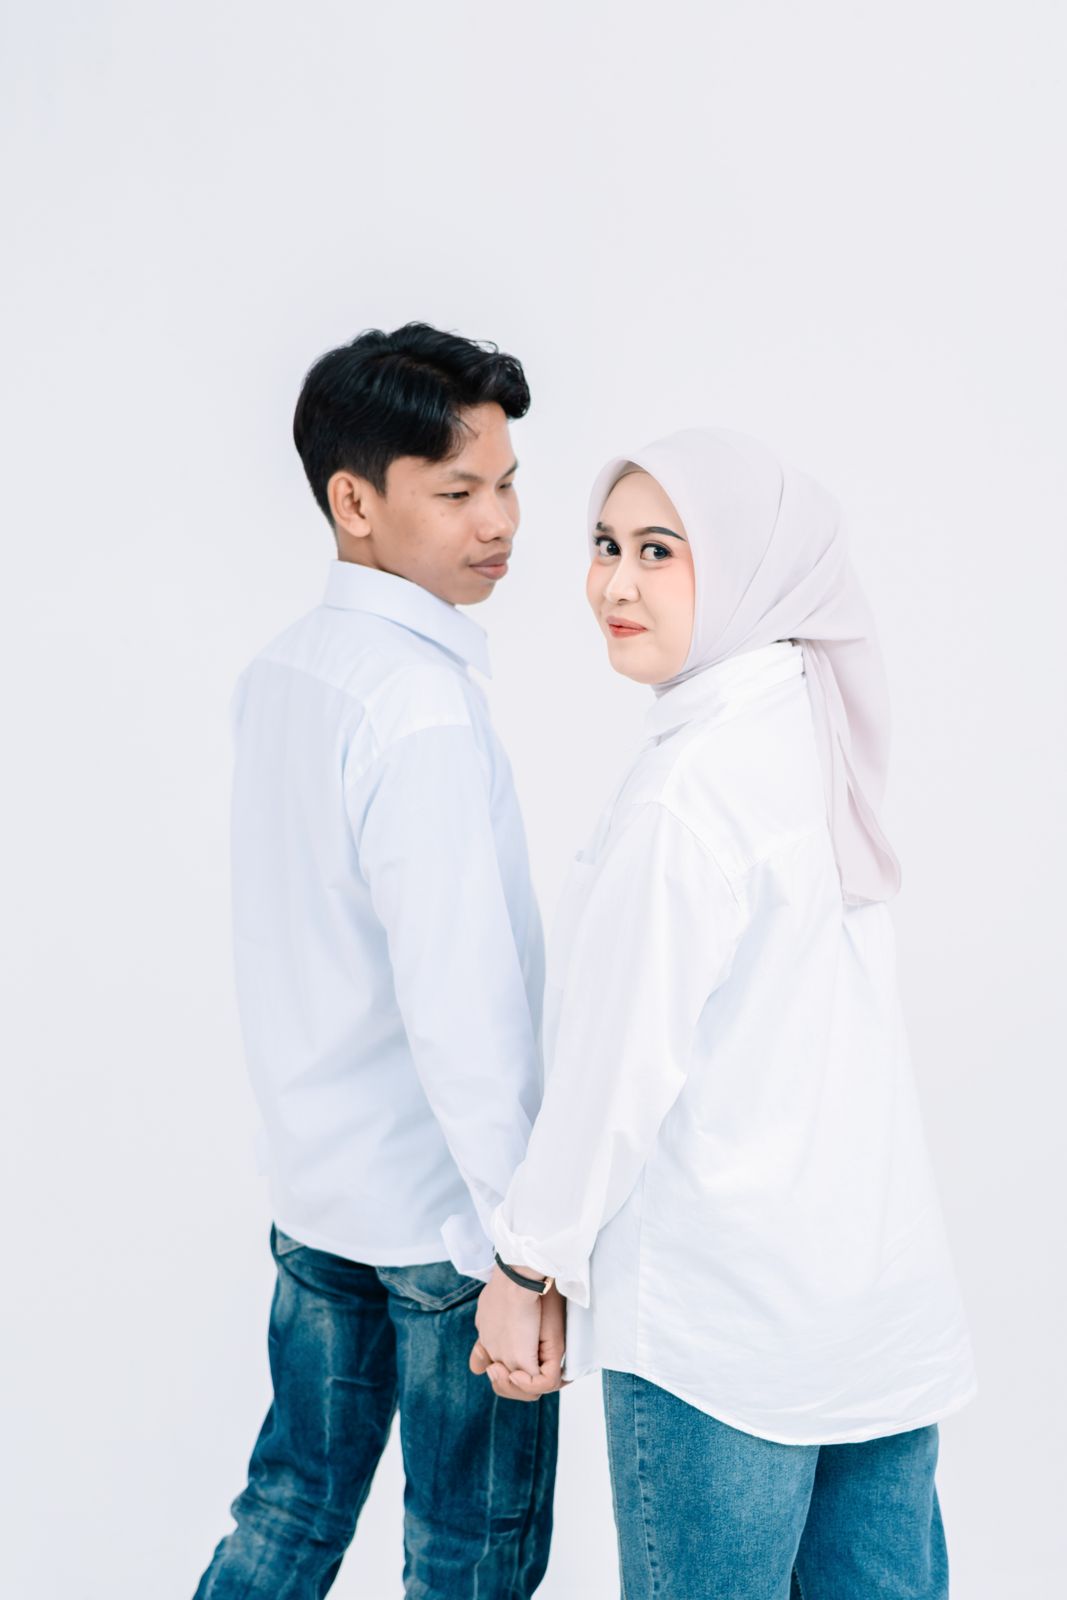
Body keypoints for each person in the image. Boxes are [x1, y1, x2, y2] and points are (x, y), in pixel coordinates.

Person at [471, 430, 976, 1599]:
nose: (613, 584)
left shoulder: (687, 794)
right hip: (872, 1309)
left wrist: (526, 1263)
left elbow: (614, 1071)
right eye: (604, 545)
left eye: (659, 549)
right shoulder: (811, 729)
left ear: (752, 564)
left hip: (724, 1332)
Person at [194, 323, 561, 1600]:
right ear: (354, 503)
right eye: (456, 492)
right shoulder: (415, 706)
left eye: (505, 481)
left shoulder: (284, 671)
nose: (497, 520)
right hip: (445, 1227)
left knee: (289, 1508)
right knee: (469, 1552)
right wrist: (525, 1246)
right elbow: (464, 1006)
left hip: (318, 1194)